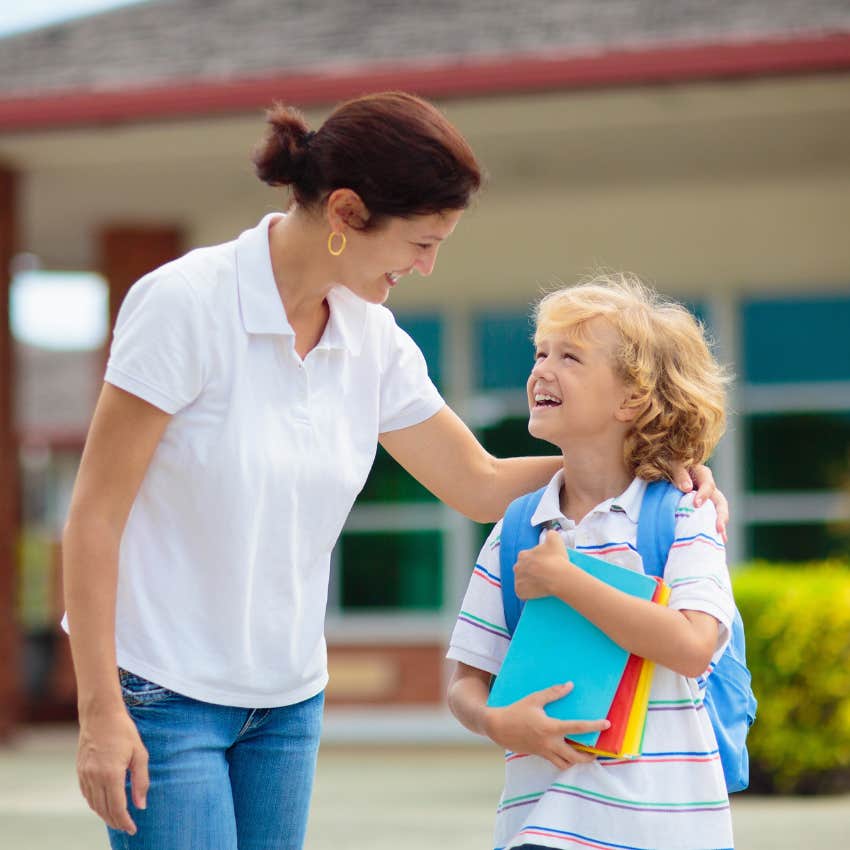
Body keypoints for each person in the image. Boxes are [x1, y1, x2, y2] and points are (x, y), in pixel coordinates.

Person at [63, 94, 725, 850]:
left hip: (286, 702)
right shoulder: (184, 305)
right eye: (420, 242)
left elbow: (474, 482)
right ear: (345, 213)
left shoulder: (370, 337)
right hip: (162, 691)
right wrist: (100, 711)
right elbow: (95, 516)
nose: (426, 265)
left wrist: (645, 470)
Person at [447, 273, 736, 850]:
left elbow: (693, 645)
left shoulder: (683, 515)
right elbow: (467, 682)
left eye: (571, 357)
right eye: (541, 352)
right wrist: (496, 722)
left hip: (666, 826)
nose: (542, 370)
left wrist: (566, 580)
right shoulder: (516, 529)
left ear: (632, 399)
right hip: (541, 824)